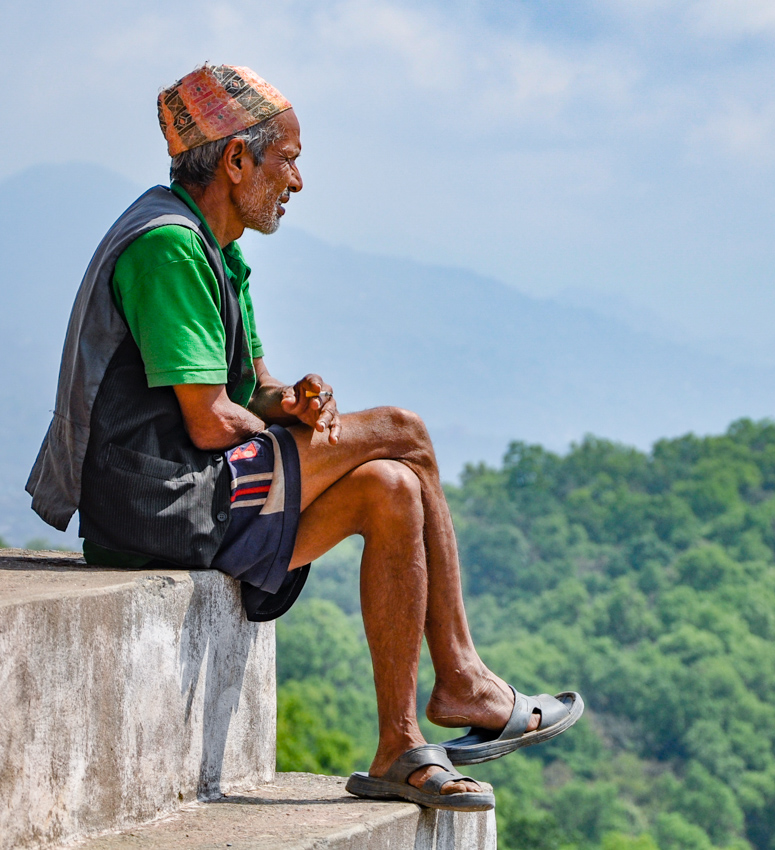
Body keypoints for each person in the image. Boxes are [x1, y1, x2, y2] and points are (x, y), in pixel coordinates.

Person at [26, 63, 581, 812]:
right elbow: (209, 419)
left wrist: (293, 402)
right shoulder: (168, 246)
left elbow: (253, 389)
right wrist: (292, 436)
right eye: (286, 159)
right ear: (236, 159)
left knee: (390, 488)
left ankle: (399, 745)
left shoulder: (219, 251)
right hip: (158, 504)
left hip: (190, 493)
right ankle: (461, 676)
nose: (296, 180)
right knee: (405, 434)